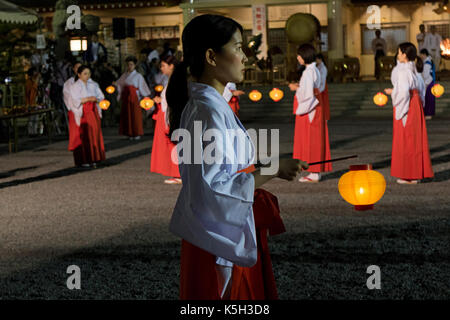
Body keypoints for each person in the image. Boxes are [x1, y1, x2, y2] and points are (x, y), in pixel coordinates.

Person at [166, 14, 307, 300]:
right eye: (238, 47)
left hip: (217, 231)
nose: (246, 57)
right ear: (211, 56)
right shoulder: (207, 111)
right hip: (218, 240)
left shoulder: (209, 106)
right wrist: (274, 169)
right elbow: (213, 189)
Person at [383, 43, 433, 184]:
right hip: (415, 104)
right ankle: (414, 173)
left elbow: (404, 93)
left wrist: (397, 103)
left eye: (399, 52)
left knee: (406, 140)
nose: (398, 55)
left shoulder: (404, 72)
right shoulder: (415, 71)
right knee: (415, 140)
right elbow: (420, 90)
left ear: (404, 55)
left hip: (408, 105)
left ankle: (409, 175)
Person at [292, 44, 332, 183]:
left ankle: (314, 172)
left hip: (310, 108)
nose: (297, 57)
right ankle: (315, 171)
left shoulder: (309, 72)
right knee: (315, 138)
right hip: (316, 106)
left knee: (311, 139)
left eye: (299, 55)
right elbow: (316, 89)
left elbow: (308, 95)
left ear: (304, 56)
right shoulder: (315, 70)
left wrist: (297, 91)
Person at [150, 54, 182, 184]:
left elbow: (174, 99)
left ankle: (179, 173)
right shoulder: (171, 79)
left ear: (171, 66)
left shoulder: (177, 80)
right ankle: (176, 172)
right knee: (171, 144)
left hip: (171, 114)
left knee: (174, 144)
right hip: (166, 113)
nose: (162, 68)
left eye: (163, 66)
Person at [67, 65, 106, 168]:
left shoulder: (93, 84)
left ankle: (95, 158)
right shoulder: (75, 86)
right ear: (79, 75)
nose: (87, 76)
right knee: (85, 136)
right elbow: (74, 101)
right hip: (84, 112)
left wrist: (96, 99)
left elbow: (101, 97)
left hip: (93, 111)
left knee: (95, 134)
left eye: (88, 73)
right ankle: (85, 159)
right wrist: (88, 99)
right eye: (84, 73)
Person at [116, 55, 151, 140]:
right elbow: (119, 84)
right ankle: (129, 132)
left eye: (131, 64)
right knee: (127, 115)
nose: (129, 66)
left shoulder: (138, 76)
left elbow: (142, 86)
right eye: (128, 64)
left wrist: (145, 96)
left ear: (135, 65)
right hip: (126, 96)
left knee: (135, 115)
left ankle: (136, 132)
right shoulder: (124, 75)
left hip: (135, 97)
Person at [419, 49, 436, 120]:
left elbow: (426, 75)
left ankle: (428, 114)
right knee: (428, 99)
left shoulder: (427, 63)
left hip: (428, 82)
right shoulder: (428, 61)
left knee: (428, 99)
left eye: (421, 54)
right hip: (429, 82)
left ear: (424, 54)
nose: (420, 56)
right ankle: (428, 113)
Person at [25, 67, 41, 136]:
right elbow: (31, 91)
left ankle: (34, 132)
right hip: (31, 103)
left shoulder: (34, 80)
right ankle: (31, 132)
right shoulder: (29, 82)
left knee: (36, 118)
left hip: (35, 102)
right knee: (31, 119)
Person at [315, 53, 329, 121]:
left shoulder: (323, 68)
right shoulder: (318, 67)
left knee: (323, 104)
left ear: (320, 59)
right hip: (318, 87)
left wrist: (320, 90)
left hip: (321, 88)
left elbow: (323, 80)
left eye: (316, 59)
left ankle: (324, 118)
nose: (315, 60)